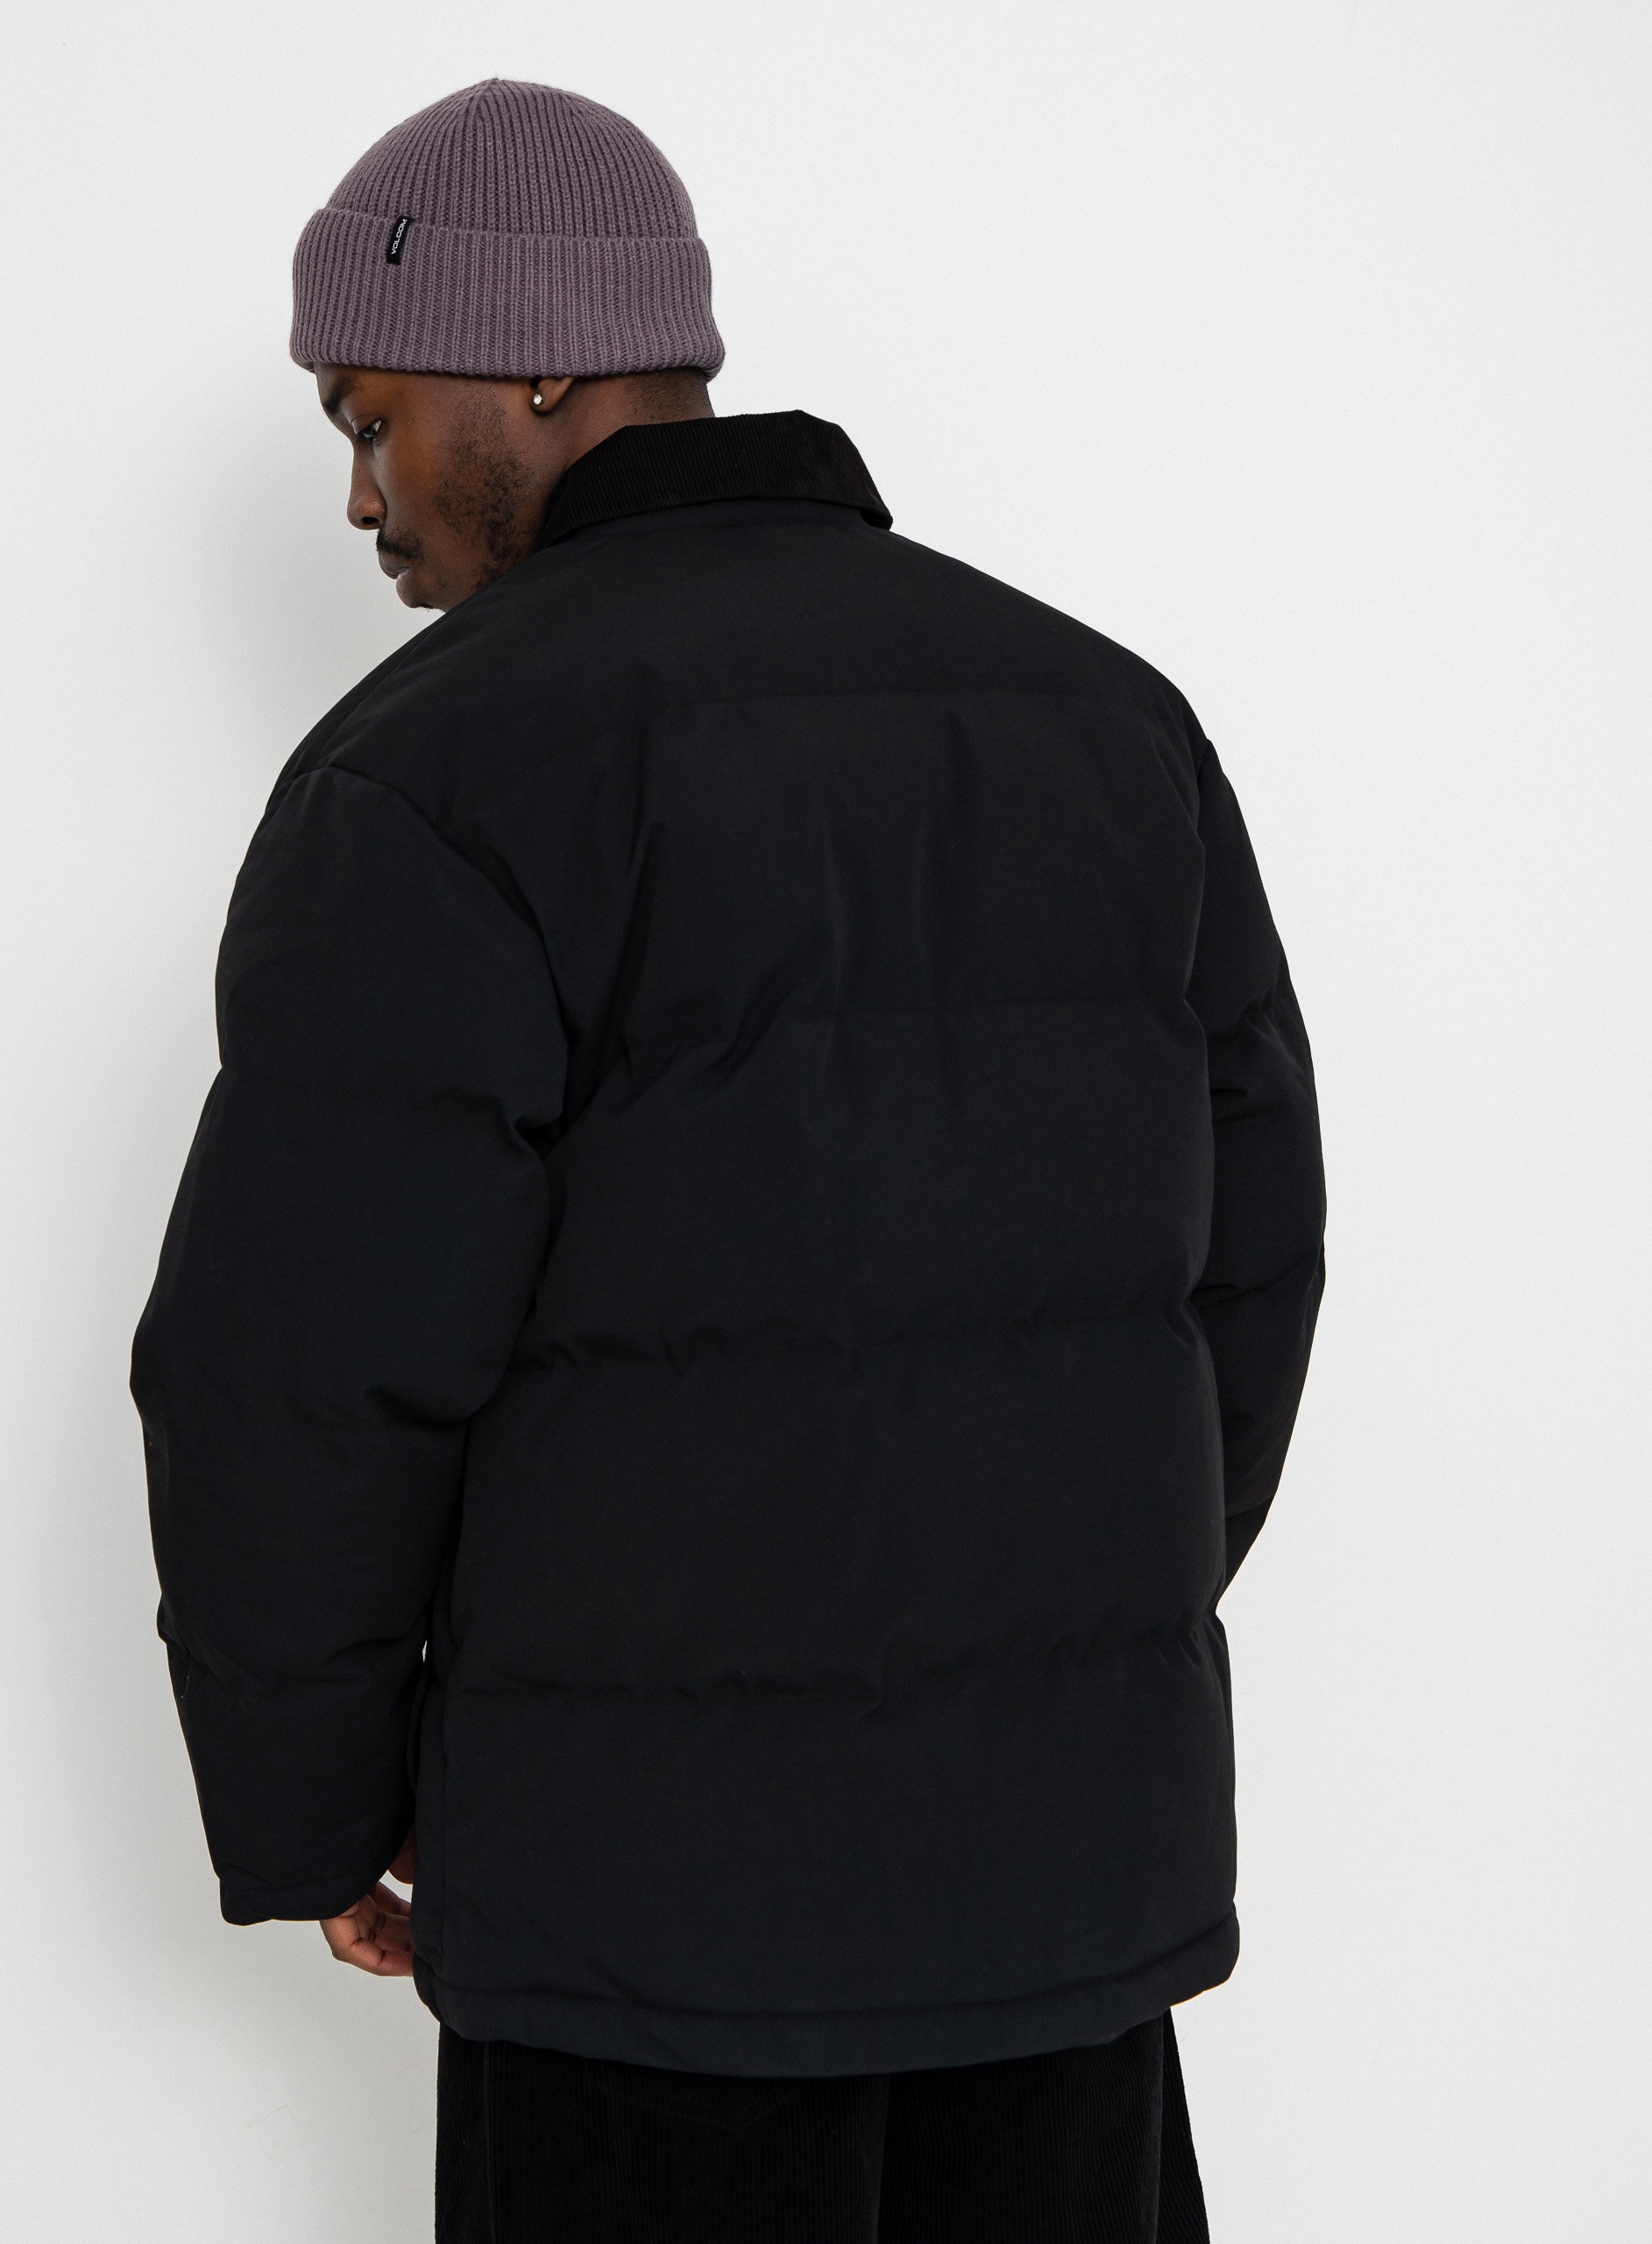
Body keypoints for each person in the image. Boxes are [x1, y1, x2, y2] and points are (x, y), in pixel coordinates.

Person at [132, 78, 1325, 2243]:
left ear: (540, 362)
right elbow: (1245, 1272)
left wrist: (320, 1804)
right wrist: (1045, 1648)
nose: (362, 494)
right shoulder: (1103, 718)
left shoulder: (440, 770)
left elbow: (298, 1364)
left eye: (372, 417)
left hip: (643, 1945)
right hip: (1058, 1909)